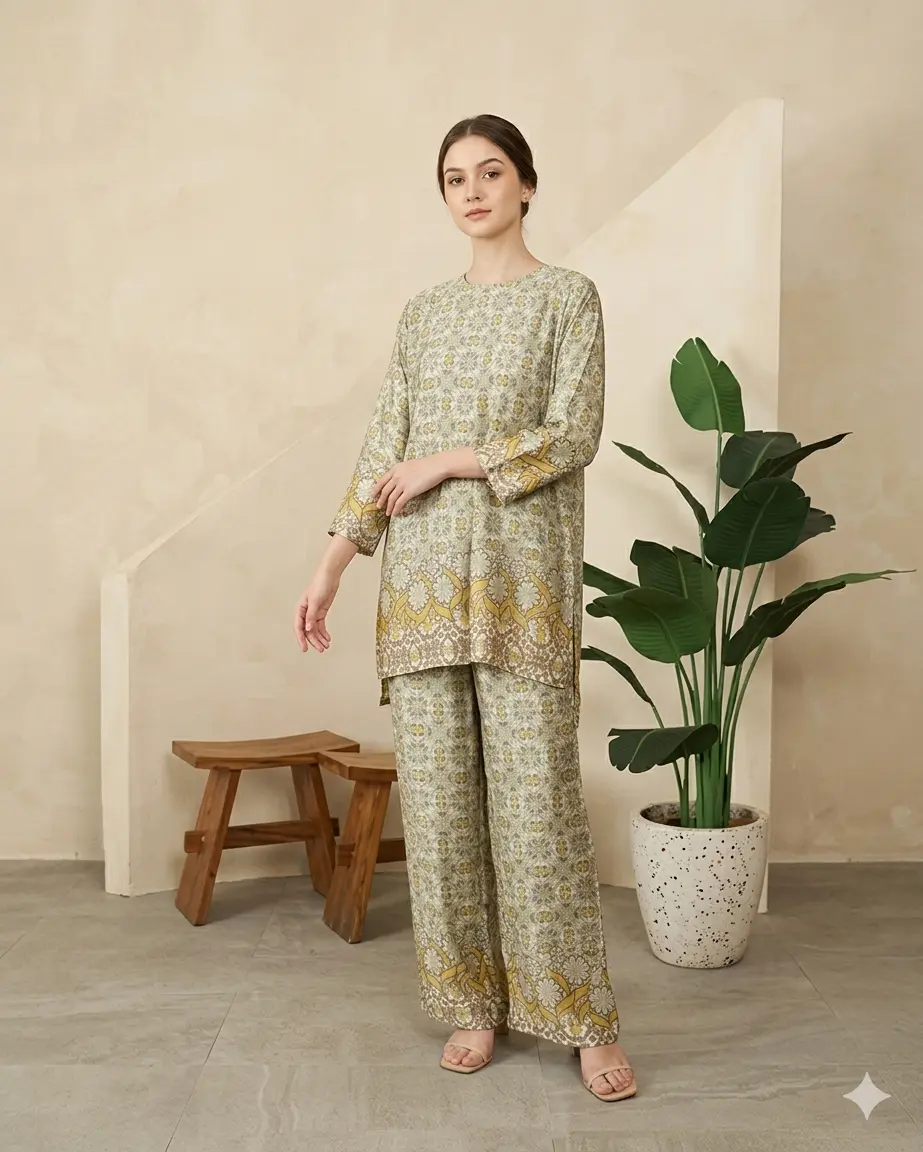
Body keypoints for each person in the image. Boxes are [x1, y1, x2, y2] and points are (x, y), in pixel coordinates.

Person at [293, 114, 636, 1103]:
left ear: (526, 184)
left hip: (521, 590)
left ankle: (582, 1020)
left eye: (491, 172)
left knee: (538, 810)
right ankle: (470, 1006)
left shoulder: (567, 298)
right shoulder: (422, 315)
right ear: (443, 196)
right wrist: (332, 564)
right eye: (454, 178)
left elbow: (571, 432)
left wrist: (449, 460)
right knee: (441, 817)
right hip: (421, 594)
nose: (473, 190)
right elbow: (381, 449)